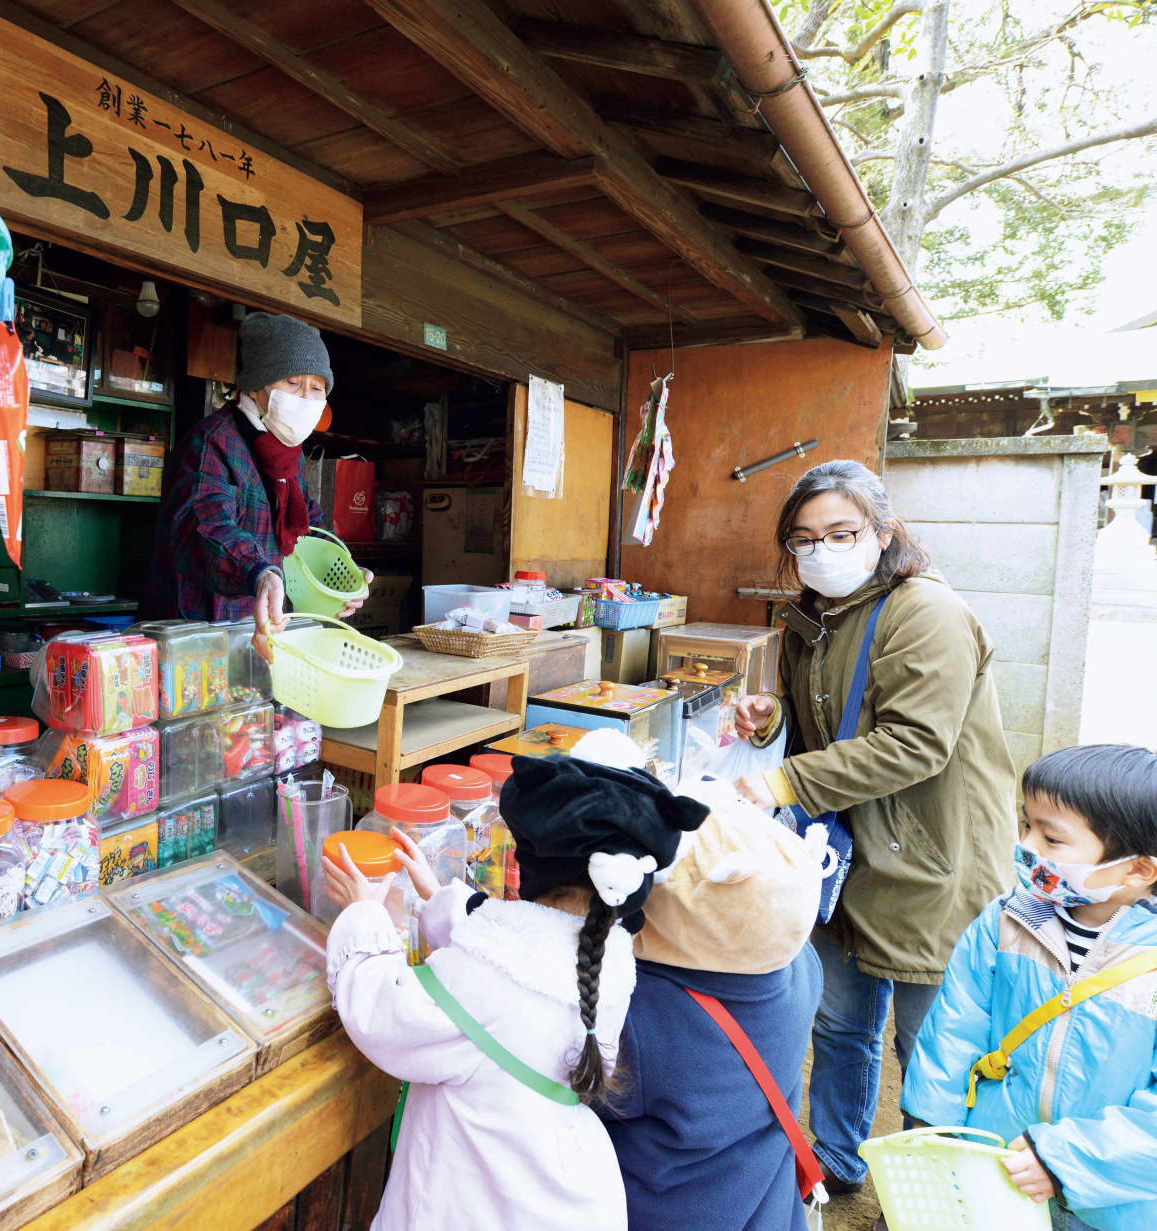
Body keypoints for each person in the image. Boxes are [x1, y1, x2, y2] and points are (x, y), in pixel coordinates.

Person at [731, 459, 1018, 1196]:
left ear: (884, 531)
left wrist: (785, 780)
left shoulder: (928, 613)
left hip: (933, 858)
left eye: (840, 532)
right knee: (839, 1026)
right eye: (802, 537)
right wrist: (775, 722)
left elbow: (915, 743)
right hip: (844, 858)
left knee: (937, 1046)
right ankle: (837, 1158)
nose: (819, 549)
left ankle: (950, 1192)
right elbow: (826, 721)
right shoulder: (808, 617)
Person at [321, 744, 707, 1231]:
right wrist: (440, 895)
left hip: (467, 1203)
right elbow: (509, 949)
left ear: (530, 870)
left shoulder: (486, 981)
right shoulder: (606, 967)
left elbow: (382, 1013)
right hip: (555, 1198)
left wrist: (365, 913)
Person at [902, 745, 1157, 1231]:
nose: (1028, 846)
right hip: (995, 1171)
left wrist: (1063, 1161)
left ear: (1138, 869)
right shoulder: (1006, 921)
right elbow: (953, 1033)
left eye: (1052, 838)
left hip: (1115, 1205)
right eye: (1027, 825)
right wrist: (934, 1133)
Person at [595, 770, 825, 1230]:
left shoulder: (645, 1015)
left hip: (665, 1210)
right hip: (764, 1206)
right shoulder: (803, 970)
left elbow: (575, 1089)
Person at [142, 311, 370, 630]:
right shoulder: (211, 443)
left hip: (265, 630)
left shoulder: (289, 453)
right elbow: (203, 525)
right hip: (201, 631)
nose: (306, 397)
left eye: (317, 388)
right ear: (254, 387)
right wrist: (257, 572)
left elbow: (307, 523)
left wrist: (344, 571)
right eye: (293, 382)